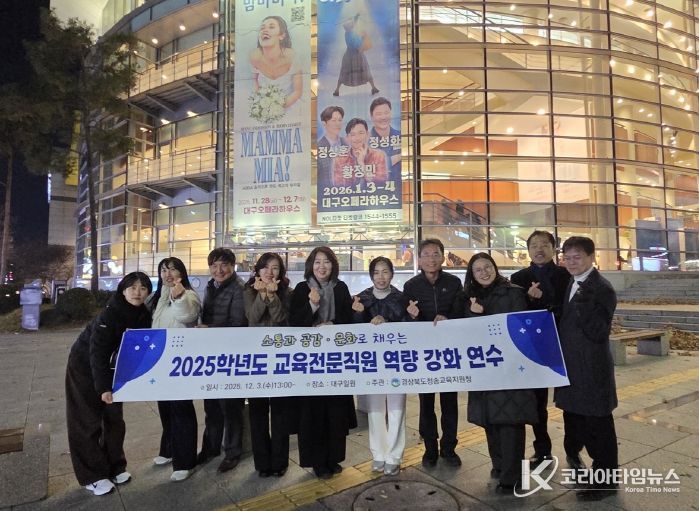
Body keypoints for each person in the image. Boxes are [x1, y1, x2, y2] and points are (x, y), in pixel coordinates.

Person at [65, 272, 152, 496]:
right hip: (85, 367)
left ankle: (116, 466)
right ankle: (92, 476)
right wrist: (103, 388)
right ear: (123, 290)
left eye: (143, 288)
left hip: (114, 371)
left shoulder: (143, 314)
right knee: (87, 421)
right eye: (132, 287)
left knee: (114, 420)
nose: (137, 292)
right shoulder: (110, 314)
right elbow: (97, 353)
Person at [463, 253, 537, 494]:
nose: (484, 272)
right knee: (490, 420)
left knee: (509, 421)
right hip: (483, 368)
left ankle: (512, 477)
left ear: (495, 268)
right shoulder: (470, 297)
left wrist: (481, 316)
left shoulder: (513, 293)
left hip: (509, 368)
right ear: (472, 275)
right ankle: (500, 465)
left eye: (487, 267)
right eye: (478, 270)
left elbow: (518, 327)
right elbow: (464, 332)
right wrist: (473, 314)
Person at [554, 237, 619, 501]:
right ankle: (585, 465)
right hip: (573, 366)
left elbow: (599, 332)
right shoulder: (573, 281)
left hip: (591, 369)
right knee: (579, 420)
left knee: (599, 427)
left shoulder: (601, 288)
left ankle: (606, 481)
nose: (571, 262)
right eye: (567, 257)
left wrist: (583, 308)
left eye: (577, 257)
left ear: (592, 257)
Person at [289, 246, 357, 479]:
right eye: (317, 262)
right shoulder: (302, 289)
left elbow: (348, 319)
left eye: (326, 262)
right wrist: (312, 305)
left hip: (336, 358)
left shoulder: (341, 288)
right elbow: (294, 323)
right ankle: (317, 461)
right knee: (314, 412)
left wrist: (333, 326)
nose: (322, 266)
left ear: (333, 265)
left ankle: (333, 457)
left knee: (335, 410)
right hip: (311, 361)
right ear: (311, 265)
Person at [510, 231, 571, 468]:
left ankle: (573, 450)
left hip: (563, 345)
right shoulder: (519, 278)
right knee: (537, 402)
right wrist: (531, 300)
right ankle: (542, 449)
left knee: (570, 401)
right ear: (528, 250)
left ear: (553, 249)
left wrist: (544, 300)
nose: (539, 249)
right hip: (533, 348)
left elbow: (569, 308)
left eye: (544, 244)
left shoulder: (566, 275)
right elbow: (515, 312)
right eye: (534, 245)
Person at [402, 238, 464, 468]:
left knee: (449, 402)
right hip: (423, 352)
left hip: (449, 351)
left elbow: (461, 311)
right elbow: (405, 318)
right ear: (419, 259)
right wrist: (413, 316)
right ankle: (429, 448)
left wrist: (449, 318)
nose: (431, 259)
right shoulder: (411, 286)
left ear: (443, 257)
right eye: (426, 254)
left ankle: (449, 447)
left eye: (436, 254)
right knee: (426, 402)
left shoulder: (454, 282)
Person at [352, 256, 408, 476]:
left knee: (396, 407)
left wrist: (388, 324)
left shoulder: (401, 298)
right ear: (371, 275)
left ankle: (394, 455)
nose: (381, 277)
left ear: (392, 274)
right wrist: (358, 314)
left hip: (396, 361)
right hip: (372, 363)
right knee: (375, 409)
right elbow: (353, 332)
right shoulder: (362, 298)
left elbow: (408, 328)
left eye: (385, 272)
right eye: (376, 272)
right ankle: (378, 454)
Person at [150, 257, 202, 482]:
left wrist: (178, 297)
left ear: (182, 273)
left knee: (181, 410)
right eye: (164, 270)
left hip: (180, 363)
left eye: (172, 269)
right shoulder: (159, 297)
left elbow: (187, 315)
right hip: (161, 361)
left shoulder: (188, 295)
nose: (168, 274)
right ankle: (169, 449)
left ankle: (185, 461)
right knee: (165, 408)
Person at [197, 248, 248, 473]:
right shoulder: (211, 286)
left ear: (232, 266)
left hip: (231, 355)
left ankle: (232, 452)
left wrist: (209, 329)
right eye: (214, 265)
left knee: (231, 407)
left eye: (224, 265)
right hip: (212, 353)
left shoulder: (239, 288)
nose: (219, 270)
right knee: (212, 405)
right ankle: (210, 447)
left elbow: (238, 323)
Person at [244, 252, 294, 479]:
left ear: (280, 272)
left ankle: (280, 461)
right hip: (257, 360)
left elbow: (282, 319)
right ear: (258, 270)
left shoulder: (288, 292)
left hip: (280, 358)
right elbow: (253, 318)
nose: (269, 272)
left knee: (280, 411)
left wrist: (272, 297)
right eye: (265, 267)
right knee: (257, 411)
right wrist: (262, 295)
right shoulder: (248, 291)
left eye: (275, 268)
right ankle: (262, 463)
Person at [249, 16, 302, 111]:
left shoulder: (292, 57)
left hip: (291, 106)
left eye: (271, 27)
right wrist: (263, 105)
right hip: (264, 109)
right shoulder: (254, 56)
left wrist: (277, 108)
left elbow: (297, 91)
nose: (265, 30)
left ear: (282, 36)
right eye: (262, 28)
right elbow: (254, 81)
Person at [332, 118, 389, 188]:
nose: (357, 138)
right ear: (347, 138)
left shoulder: (379, 156)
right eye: (353, 135)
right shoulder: (339, 160)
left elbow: (381, 183)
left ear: (367, 135)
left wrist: (361, 163)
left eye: (361, 133)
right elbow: (338, 186)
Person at [332, 13, 379, 97]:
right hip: (354, 57)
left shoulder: (349, 32)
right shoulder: (349, 35)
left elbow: (353, 23)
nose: (353, 25)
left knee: (359, 71)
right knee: (361, 71)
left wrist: (356, 17)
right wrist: (363, 38)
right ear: (349, 27)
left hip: (352, 56)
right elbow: (356, 45)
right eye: (351, 25)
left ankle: (373, 87)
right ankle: (337, 90)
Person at [369, 97, 400, 179]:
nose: (383, 117)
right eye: (379, 114)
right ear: (371, 117)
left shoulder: (400, 137)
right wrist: (396, 157)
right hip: (373, 185)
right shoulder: (364, 142)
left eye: (386, 113)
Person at [317, 105, 347, 188]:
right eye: (333, 120)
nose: (338, 124)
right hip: (327, 192)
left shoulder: (347, 144)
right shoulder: (318, 148)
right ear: (324, 124)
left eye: (340, 120)